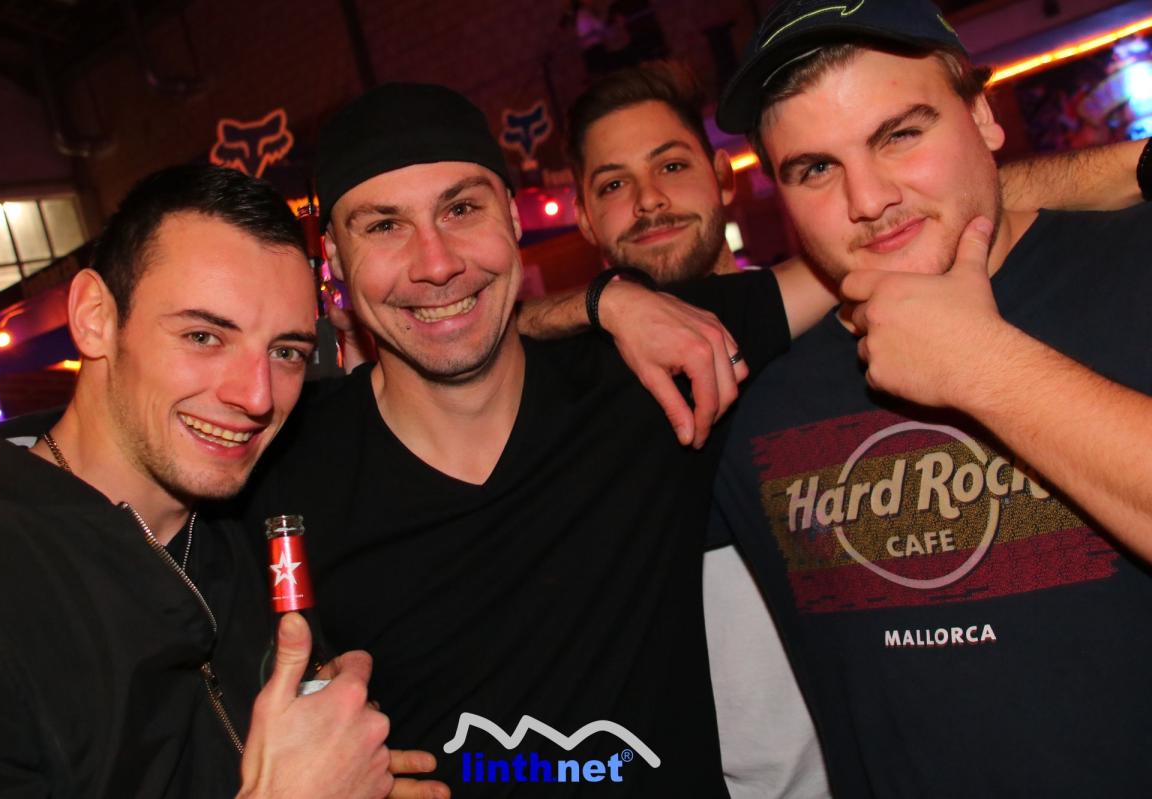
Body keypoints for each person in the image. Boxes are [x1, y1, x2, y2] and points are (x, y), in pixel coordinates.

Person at [521, 58, 1149, 799]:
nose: (649, 199)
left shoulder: (1115, 269)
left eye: (672, 164)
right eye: (613, 185)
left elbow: (942, 201)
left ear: (725, 179)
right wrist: (604, 302)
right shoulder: (632, 388)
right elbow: (486, 344)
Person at [241, 81, 799, 797]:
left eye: (462, 209)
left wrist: (608, 302)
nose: (436, 262)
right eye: (383, 226)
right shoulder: (285, 474)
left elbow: (863, 261)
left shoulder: (647, 372)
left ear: (511, 216)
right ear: (336, 262)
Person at [708, 0, 1152, 795]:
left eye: (899, 135)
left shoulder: (1137, 266)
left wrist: (983, 367)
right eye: (816, 169)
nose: (868, 198)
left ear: (982, 115)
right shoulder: (752, 391)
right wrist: (605, 303)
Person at [0, 164, 442, 799]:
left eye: (286, 352)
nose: (256, 397)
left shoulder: (264, 499)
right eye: (204, 336)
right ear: (96, 316)